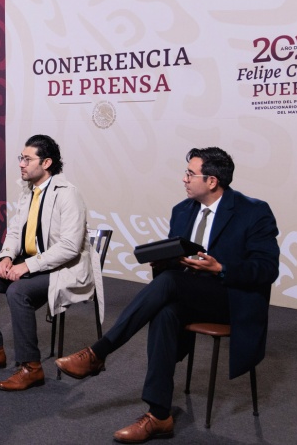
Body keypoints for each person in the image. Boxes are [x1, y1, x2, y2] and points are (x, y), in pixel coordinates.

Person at [55, 147, 279, 443]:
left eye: (190, 173)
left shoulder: (254, 211)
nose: (183, 178)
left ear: (212, 181)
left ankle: (99, 352)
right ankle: (159, 415)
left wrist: (220, 267)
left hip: (230, 297)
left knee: (171, 284)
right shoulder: (182, 210)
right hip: (188, 292)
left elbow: (266, 269)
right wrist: (163, 262)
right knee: (165, 311)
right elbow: (175, 267)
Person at [0, 134, 99, 391]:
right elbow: (14, 233)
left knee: (18, 291)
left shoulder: (68, 195)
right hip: (31, 262)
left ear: (46, 163)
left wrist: (27, 266)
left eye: (27, 159)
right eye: (20, 158)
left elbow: (69, 247)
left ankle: (31, 367)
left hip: (61, 267)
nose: (21, 163)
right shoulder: (28, 192)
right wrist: (6, 257)